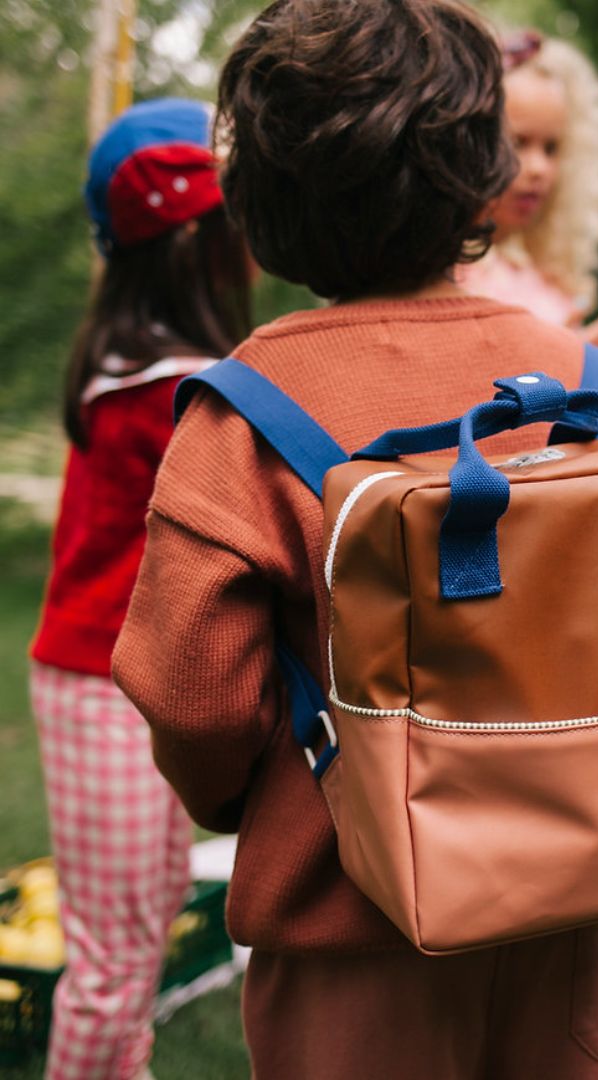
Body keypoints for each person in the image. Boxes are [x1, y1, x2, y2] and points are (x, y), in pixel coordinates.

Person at [111, 3, 598, 1078]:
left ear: (261, 198)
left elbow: (197, 699)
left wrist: (261, 798)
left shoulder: (242, 417)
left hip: (355, 933)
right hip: (588, 914)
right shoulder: (590, 383)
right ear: (483, 173)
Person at [28, 97, 252, 1080]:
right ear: (194, 239)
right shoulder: (157, 390)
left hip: (131, 680)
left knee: (143, 927)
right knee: (116, 963)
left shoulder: (152, 373)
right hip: (99, 685)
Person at [460, 28, 598, 351]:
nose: (539, 168)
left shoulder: (545, 275)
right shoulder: (446, 279)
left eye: (551, 148)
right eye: (517, 143)